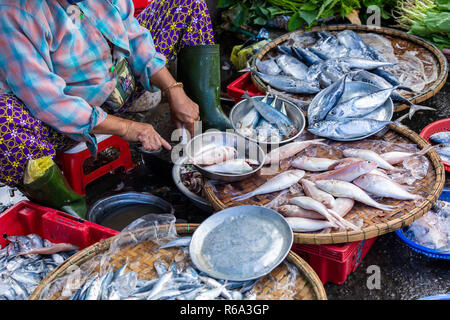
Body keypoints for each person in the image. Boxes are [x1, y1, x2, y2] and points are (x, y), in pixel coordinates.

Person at [0, 0, 225, 217]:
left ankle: (207, 122)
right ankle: (77, 215)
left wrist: (174, 89)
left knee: (185, 4)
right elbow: (49, 102)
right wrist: (128, 128)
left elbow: (135, 38)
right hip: (64, 119)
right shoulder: (14, 14)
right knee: (4, 126)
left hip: (118, 82)